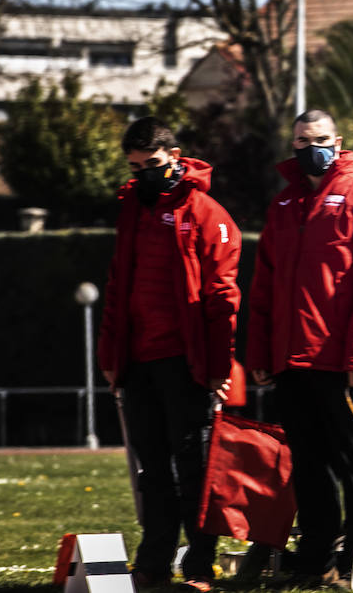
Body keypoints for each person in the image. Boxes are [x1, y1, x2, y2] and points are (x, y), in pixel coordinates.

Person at [246, 110, 353, 588]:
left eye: (317, 139)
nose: (308, 147)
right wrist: (259, 356)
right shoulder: (284, 205)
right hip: (291, 363)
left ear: (337, 141)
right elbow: (264, 287)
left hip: (339, 365)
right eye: (300, 140)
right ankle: (317, 559)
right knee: (309, 468)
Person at [97, 116, 242, 593]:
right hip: (139, 361)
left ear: (175, 158)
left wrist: (219, 368)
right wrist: (111, 357)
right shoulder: (132, 209)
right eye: (136, 167)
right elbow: (119, 284)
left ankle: (200, 567)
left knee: (195, 470)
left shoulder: (206, 213)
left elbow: (223, 299)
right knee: (152, 469)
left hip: (186, 363)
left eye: (152, 165)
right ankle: (153, 564)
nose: (144, 175)